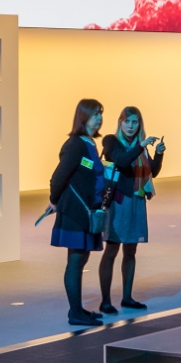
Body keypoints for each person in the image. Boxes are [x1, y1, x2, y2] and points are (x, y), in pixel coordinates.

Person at [97, 106, 165, 315]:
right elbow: (122, 160)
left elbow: (152, 171)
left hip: (136, 200)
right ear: (120, 122)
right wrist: (141, 146)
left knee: (131, 251)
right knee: (112, 250)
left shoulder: (139, 145)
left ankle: (127, 298)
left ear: (139, 124)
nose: (130, 126)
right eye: (127, 121)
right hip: (118, 202)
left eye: (134, 122)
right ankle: (105, 301)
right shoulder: (111, 141)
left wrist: (158, 154)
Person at [49, 98, 107, 330]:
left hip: (88, 211)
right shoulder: (75, 144)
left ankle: (78, 309)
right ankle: (75, 312)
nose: (99, 118)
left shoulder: (90, 143)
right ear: (83, 117)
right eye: (95, 114)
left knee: (81, 259)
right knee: (75, 261)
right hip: (76, 211)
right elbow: (58, 178)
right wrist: (54, 200)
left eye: (101, 113)